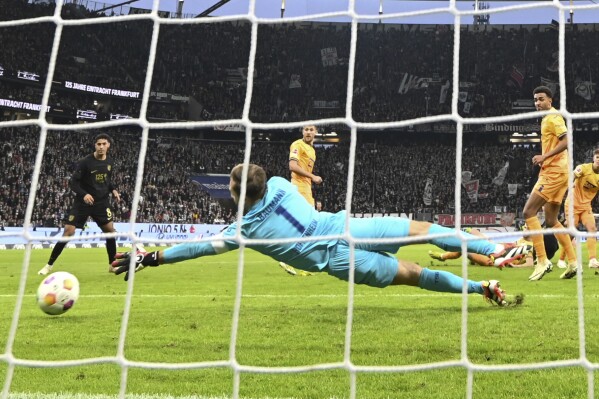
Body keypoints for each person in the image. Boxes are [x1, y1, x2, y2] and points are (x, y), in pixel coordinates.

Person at [112, 164, 533, 307]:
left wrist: (150, 258)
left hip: (339, 258)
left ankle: (482, 286)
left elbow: (198, 248)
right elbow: (274, 174)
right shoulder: (279, 183)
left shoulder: (243, 230)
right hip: (348, 227)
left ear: (237, 194)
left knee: (415, 274)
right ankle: (495, 249)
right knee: (426, 230)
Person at [38, 133, 121, 275]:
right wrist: (84, 194)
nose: (101, 147)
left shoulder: (110, 162)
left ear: (108, 146)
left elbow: (107, 181)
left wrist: (113, 190)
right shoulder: (85, 162)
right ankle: (49, 264)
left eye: (103, 144)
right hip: (83, 203)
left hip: (101, 203)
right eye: (98, 144)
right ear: (95, 145)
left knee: (110, 233)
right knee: (68, 232)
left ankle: (112, 265)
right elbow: (73, 183)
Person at [525, 86, 578, 281]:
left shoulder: (554, 117)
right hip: (560, 172)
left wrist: (544, 156)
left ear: (550, 100)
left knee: (528, 212)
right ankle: (573, 262)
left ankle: (542, 260)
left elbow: (566, 140)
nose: (537, 103)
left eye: (541, 99)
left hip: (554, 172)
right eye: (535, 100)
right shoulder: (548, 118)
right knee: (551, 221)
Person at [278, 125, 323, 276]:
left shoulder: (312, 151)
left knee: (307, 226)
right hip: (299, 187)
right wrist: (313, 176)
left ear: (316, 132)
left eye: (311, 129)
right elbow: (292, 166)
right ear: (302, 132)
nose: (308, 132)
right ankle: (286, 258)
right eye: (306, 129)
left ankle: (303, 265)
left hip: (307, 189)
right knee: (310, 224)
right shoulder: (297, 145)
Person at [429, 226, 559, 268]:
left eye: (527, 226)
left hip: (495, 257)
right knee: (472, 232)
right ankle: (444, 255)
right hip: (495, 248)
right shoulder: (521, 240)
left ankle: (443, 256)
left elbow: (529, 263)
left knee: (466, 245)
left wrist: (515, 266)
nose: (524, 227)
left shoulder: (530, 247)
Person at [557, 148, 599, 269]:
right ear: (593, 158)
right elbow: (572, 175)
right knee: (571, 231)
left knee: (592, 229)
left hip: (586, 207)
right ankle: (561, 259)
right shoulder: (584, 168)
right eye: (597, 157)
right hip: (572, 205)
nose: (598, 160)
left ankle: (592, 260)